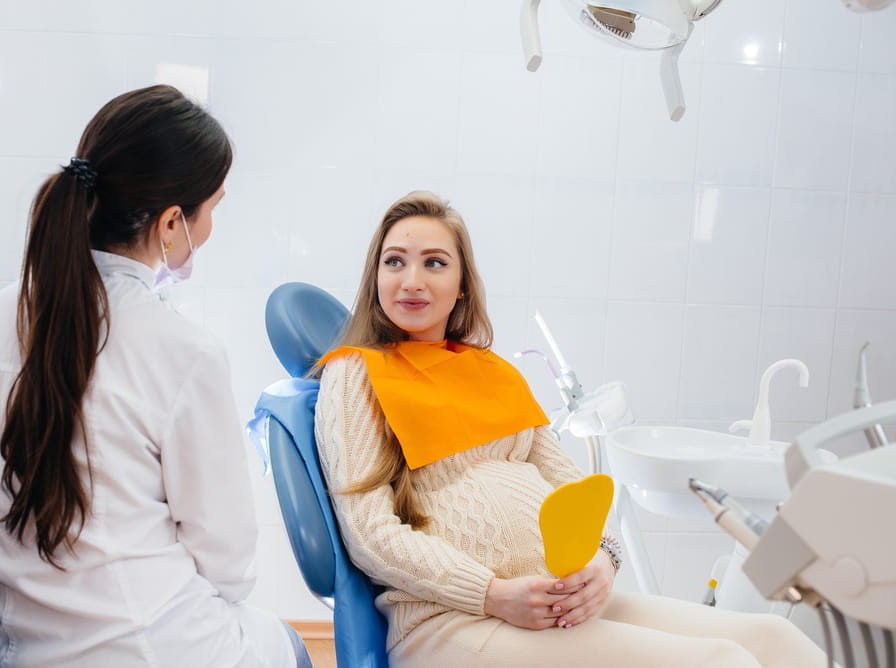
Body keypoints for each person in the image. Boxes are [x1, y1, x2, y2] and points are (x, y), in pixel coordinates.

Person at [312, 190, 827, 667]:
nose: (412, 280)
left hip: (552, 603)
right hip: (451, 621)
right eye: (394, 261)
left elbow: (575, 490)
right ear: (375, 276)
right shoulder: (357, 373)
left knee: (774, 640)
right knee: (722, 661)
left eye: (435, 263)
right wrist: (491, 594)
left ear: (462, 283)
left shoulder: (493, 373)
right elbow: (369, 534)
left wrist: (604, 562)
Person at [0, 85, 308, 668]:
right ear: (171, 222)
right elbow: (228, 565)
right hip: (145, 648)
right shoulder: (184, 351)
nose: (210, 225)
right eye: (212, 208)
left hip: (13, 644)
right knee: (286, 644)